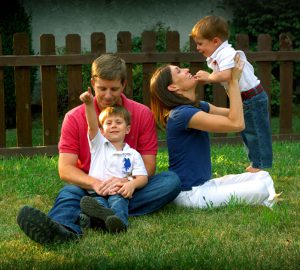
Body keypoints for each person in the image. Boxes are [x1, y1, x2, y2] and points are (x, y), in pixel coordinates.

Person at [17, 53, 181, 244]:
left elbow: (148, 167)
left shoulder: (142, 114)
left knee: (171, 181)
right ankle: (63, 229)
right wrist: (95, 184)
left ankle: (96, 215)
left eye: (114, 89)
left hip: (127, 187)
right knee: (70, 193)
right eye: (102, 88)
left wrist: (123, 183)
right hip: (88, 188)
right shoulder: (74, 117)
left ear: (124, 85)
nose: (108, 96)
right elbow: (66, 169)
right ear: (93, 83)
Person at [149, 54, 280, 209]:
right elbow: (236, 124)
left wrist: (224, 78)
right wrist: (233, 82)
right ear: (173, 87)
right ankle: (267, 198)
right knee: (260, 188)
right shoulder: (181, 115)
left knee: (262, 176)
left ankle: (267, 197)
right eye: (179, 71)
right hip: (191, 193)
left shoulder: (198, 106)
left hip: (206, 184)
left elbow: (237, 113)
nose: (186, 70)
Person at [190, 15, 273, 173]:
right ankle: (256, 162)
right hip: (246, 98)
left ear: (215, 41)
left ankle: (260, 165)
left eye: (200, 44)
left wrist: (209, 77)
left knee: (256, 132)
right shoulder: (219, 54)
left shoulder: (227, 53)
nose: (198, 48)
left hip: (252, 98)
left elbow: (228, 75)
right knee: (247, 131)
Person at [79, 87, 148, 233]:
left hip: (119, 192)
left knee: (118, 203)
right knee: (96, 205)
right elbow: (92, 125)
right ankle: (96, 218)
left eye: (118, 122)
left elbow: (143, 177)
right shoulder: (98, 145)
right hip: (96, 191)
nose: (114, 126)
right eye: (108, 123)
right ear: (102, 131)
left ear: (127, 129)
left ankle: (117, 223)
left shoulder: (132, 154)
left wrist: (132, 184)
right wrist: (89, 104)